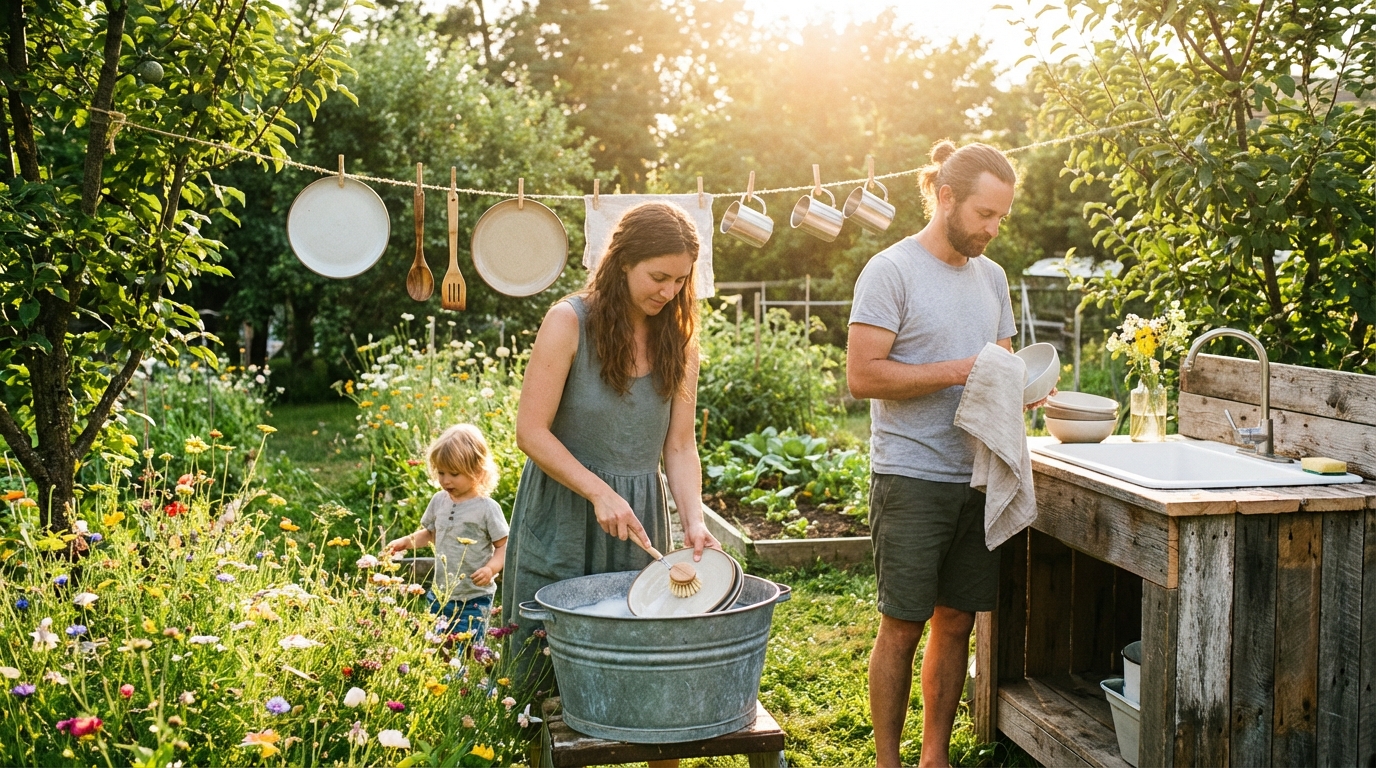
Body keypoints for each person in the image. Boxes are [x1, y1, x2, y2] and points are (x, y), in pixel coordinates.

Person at [847, 140, 1028, 768]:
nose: (992, 228)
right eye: (984, 213)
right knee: (904, 622)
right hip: (912, 474)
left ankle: (934, 758)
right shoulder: (890, 270)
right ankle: (888, 762)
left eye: (1001, 216)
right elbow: (863, 376)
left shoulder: (994, 278)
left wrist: (1021, 390)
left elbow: (999, 368)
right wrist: (959, 371)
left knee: (957, 620)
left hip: (977, 475)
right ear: (945, 197)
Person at [502, 201, 721, 656]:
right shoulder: (568, 322)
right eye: (658, 277)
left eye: (681, 281)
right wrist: (599, 492)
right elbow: (531, 431)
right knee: (545, 660)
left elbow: (679, 446)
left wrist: (695, 522)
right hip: (564, 510)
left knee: (630, 657)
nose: (669, 291)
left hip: (638, 518)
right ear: (622, 262)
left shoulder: (679, 340)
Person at [384, 424, 509, 637]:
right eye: (441, 472)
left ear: (477, 471)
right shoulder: (439, 501)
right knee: (438, 643)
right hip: (440, 592)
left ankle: (464, 669)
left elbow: (504, 545)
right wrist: (406, 541)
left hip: (474, 596)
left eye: (454, 473)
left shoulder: (487, 508)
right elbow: (432, 534)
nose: (445, 480)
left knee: (467, 645)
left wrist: (491, 569)